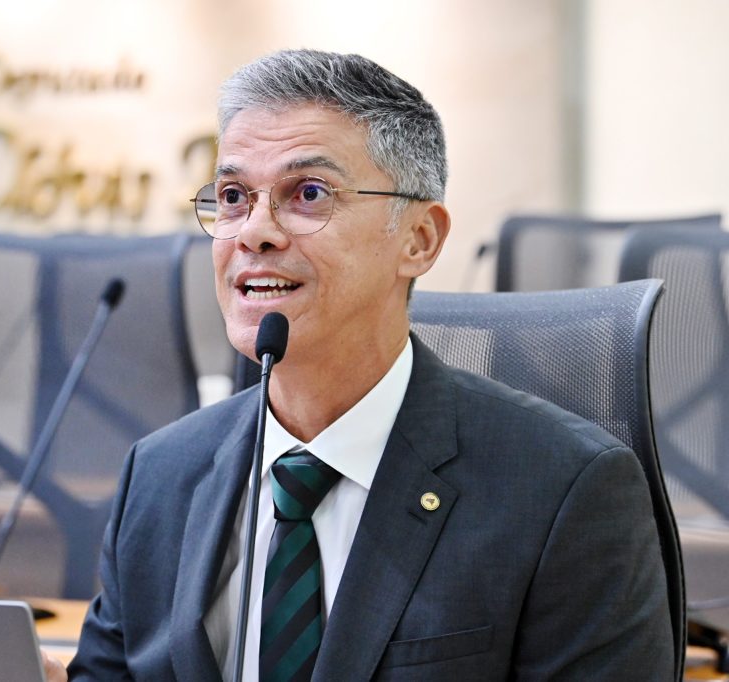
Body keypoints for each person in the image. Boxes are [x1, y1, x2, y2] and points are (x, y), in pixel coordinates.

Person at [47, 49, 673, 681]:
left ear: (419, 240)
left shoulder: (565, 491)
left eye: (308, 193)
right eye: (233, 196)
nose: (254, 232)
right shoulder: (160, 476)